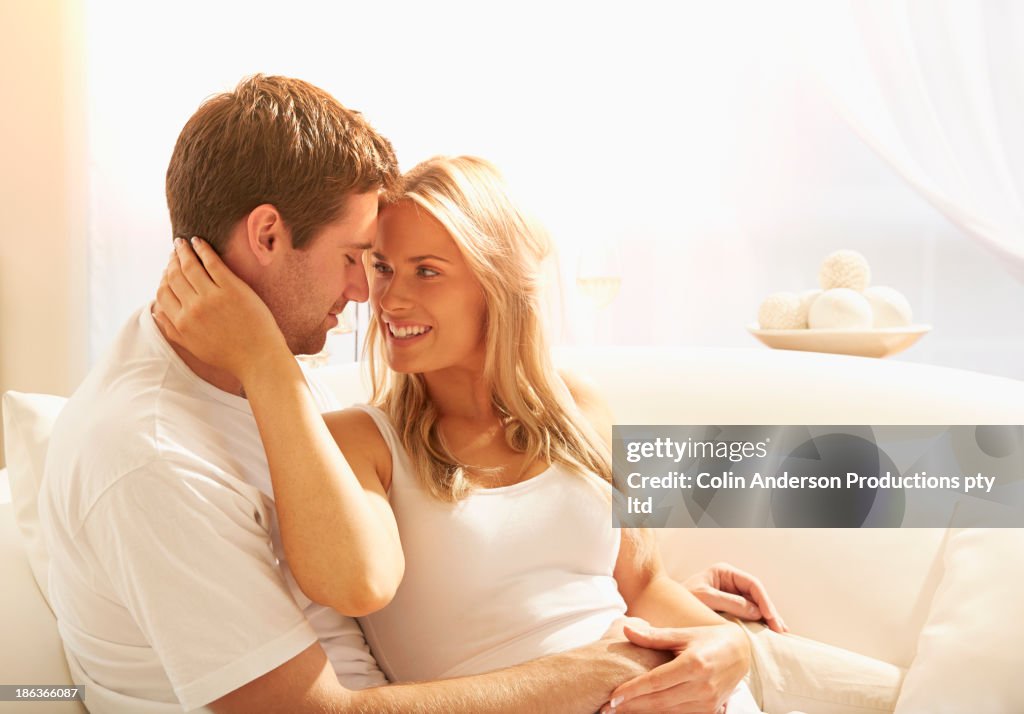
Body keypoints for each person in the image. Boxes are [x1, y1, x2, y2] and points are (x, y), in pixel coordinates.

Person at [39, 75, 782, 714]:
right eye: (365, 261)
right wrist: (611, 667)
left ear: (497, 285)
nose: (371, 295)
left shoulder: (579, 403)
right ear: (268, 236)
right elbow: (356, 595)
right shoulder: (174, 445)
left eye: (415, 269)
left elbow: (639, 582)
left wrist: (726, 647)